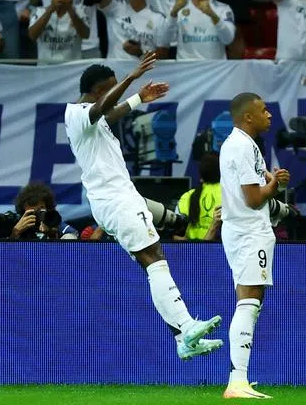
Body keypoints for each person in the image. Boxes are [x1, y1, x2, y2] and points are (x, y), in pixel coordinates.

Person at [65, 55, 223, 359]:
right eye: (112, 90)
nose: (117, 96)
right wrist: (131, 78)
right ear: (99, 90)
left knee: (154, 260)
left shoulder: (90, 119)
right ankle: (186, 326)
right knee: (154, 261)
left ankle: (181, 337)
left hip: (121, 198)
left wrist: (139, 97)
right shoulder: (76, 113)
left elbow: (108, 114)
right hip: (115, 199)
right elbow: (101, 110)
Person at [219, 91, 289, 400]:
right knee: (249, 301)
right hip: (249, 231)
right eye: (263, 110)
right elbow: (254, 198)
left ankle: (239, 377)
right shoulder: (241, 147)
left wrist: (274, 181)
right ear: (248, 116)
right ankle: (237, 382)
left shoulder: (245, 145)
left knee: (250, 302)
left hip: (244, 231)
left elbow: (260, 184)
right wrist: (274, 187)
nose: (269, 114)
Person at [10, 181, 80, 240]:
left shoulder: (53, 223)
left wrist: (52, 234)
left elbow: (72, 237)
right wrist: (15, 232)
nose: (37, 214)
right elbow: (5, 252)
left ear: (48, 207)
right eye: (32, 210)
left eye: (41, 209)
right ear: (23, 210)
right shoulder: (16, 223)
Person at [177, 153, 222, 242]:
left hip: (188, 252)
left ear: (201, 174)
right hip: (219, 252)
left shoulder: (187, 196)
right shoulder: (230, 196)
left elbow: (176, 236)